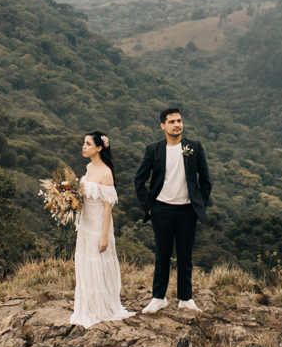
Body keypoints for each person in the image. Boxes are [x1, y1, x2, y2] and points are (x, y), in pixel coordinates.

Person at [134, 108, 212, 314]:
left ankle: (186, 298)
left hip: (187, 210)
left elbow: (205, 180)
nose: (177, 125)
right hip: (161, 210)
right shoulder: (153, 149)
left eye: (179, 121)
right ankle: (158, 297)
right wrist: (149, 208)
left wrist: (199, 205)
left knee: (185, 255)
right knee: (162, 254)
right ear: (163, 126)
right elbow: (139, 180)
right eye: (171, 122)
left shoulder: (193, 147)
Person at [70, 130, 135, 328]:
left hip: (99, 226)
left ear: (99, 148)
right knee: (86, 265)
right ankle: (88, 306)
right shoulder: (88, 167)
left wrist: (104, 235)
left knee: (98, 265)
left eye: (88, 144)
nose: (83, 146)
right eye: (84, 143)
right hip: (85, 225)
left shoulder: (106, 173)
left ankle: (101, 307)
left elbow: (108, 207)